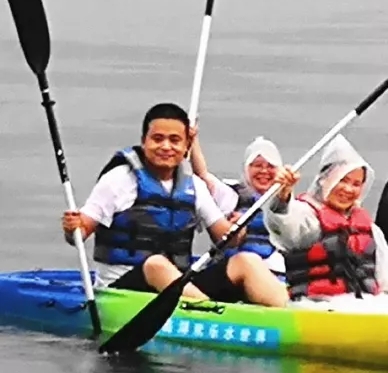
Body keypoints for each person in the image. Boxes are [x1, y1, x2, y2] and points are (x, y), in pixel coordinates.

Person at [60, 102, 288, 307]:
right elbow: (80, 232)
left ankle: (288, 313)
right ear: (144, 141)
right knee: (156, 264)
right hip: (123, 290)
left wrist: (238, 230)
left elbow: (225, 238)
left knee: (246, 260)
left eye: (175, 140)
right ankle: (209, 313)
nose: (166, 147)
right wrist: (73, 228)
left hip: (178, 285)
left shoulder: (193, 186)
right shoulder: (119, 179)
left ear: (187, 145)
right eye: (157, 139)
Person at [265, 134, 388, 313]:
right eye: (343, 180)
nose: (349, 189)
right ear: (325, 180)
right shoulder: (306, 216)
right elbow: (283, 224)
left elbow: (384, 278)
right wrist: (283, 195)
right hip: (315, 305)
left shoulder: (370, 229)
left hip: (360, 303)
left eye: (356, 184)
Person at [189, 132, 287, 281]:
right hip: (235, 272)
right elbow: (202, 176)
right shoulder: (231, 195)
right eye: (257, 165)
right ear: (246, 169)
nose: (264, 171)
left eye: (270, 166)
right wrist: (193, 140)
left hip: (274, 274)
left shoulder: (285, 203)